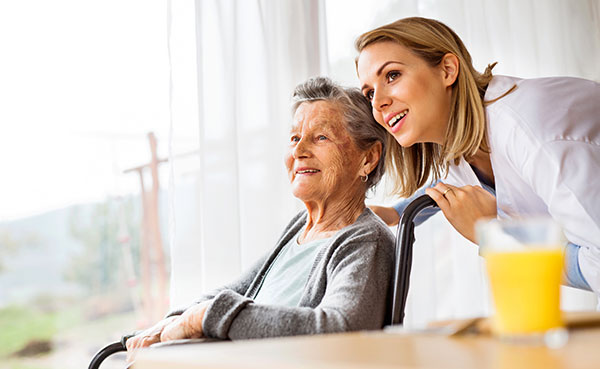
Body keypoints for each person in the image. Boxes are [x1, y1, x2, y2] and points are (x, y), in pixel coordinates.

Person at [125, 77, 395, 361]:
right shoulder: (299, 230)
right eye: (294, 138)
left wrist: (202, 318)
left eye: (321, 137)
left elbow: (341, 331)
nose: (298, 152)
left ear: (368, 158)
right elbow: (236, 290)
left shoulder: (365, 241)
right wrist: (174, 320)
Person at [355, 17, 600, 297]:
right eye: (369, 92)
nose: (377, 103)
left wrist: (494, 236)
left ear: (447, 70)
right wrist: (395, 213)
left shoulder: (531, 131)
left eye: (392, 75)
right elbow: (449, 184)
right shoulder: (463, 142)